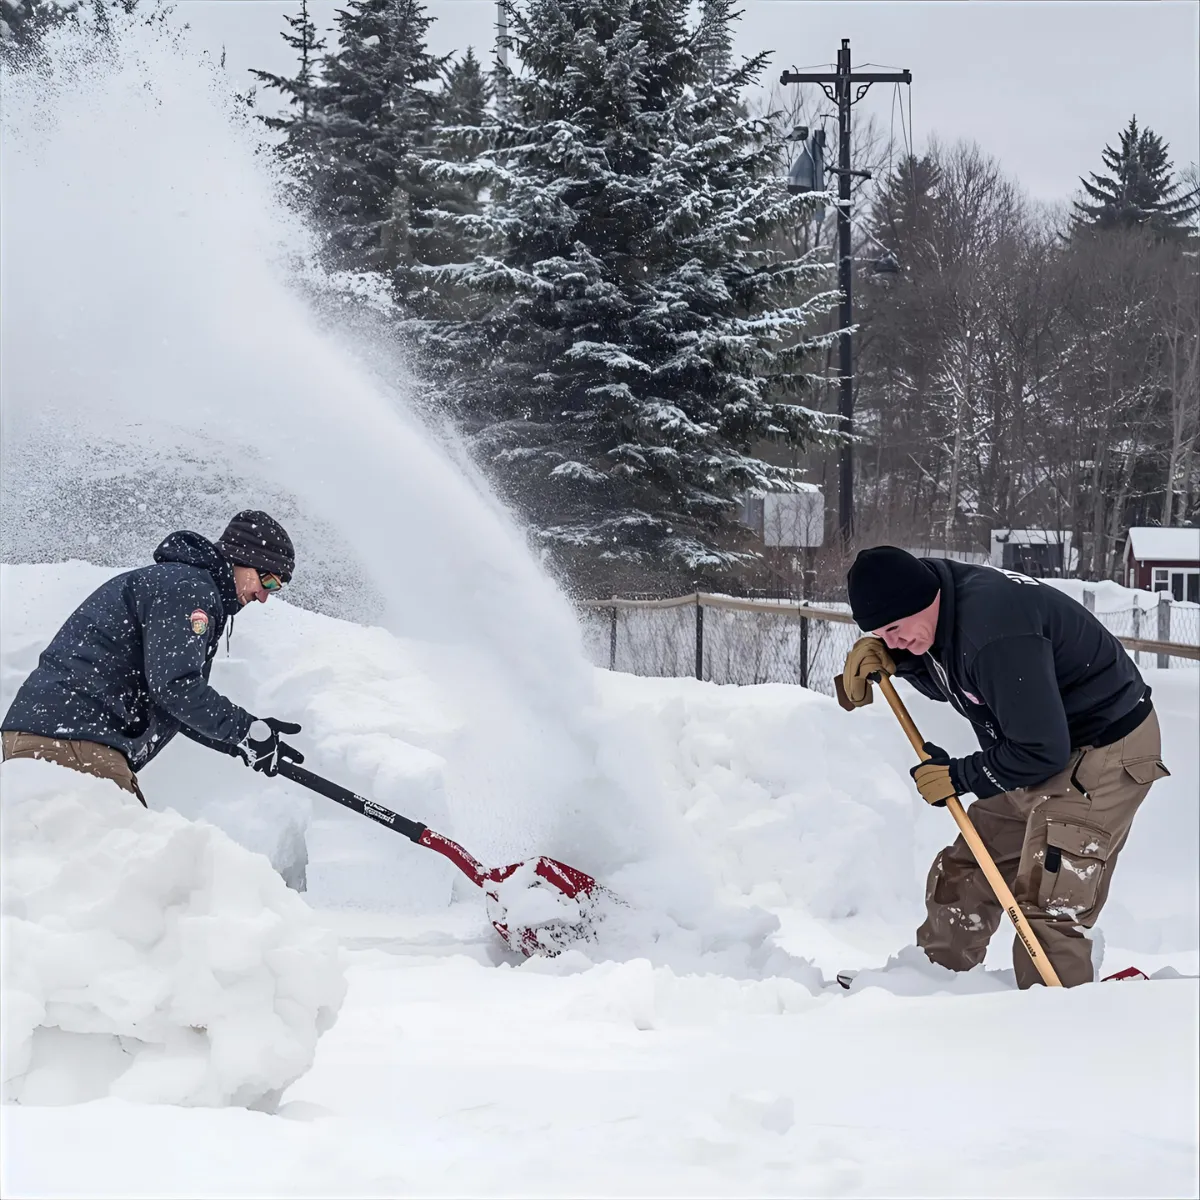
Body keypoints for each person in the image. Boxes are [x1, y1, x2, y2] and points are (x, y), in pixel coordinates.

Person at [838, 545, 1170, 988]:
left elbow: (1039, 749)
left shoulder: (994, 630)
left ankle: (1055, 1024)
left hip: (1106, 746)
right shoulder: (939, 600)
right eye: (880, 633)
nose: (891, 639)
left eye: (894, 629)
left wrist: (960, 776)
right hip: (1040, 745)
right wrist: (899, 660)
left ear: (922, 599)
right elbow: (966, 683)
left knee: (1050, 897)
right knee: (969, 866)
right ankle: (930, 985)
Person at [2, 510, 305, 804]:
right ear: (240, 559)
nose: (264, 595)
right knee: (135, 853)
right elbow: (176, 688)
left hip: (58, 736)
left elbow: (173, 704)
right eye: (266, 580)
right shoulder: (189, 589)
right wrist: (242, 729)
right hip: (74, 742)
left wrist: (241, 743)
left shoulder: (182, 585)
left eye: (275, 588)